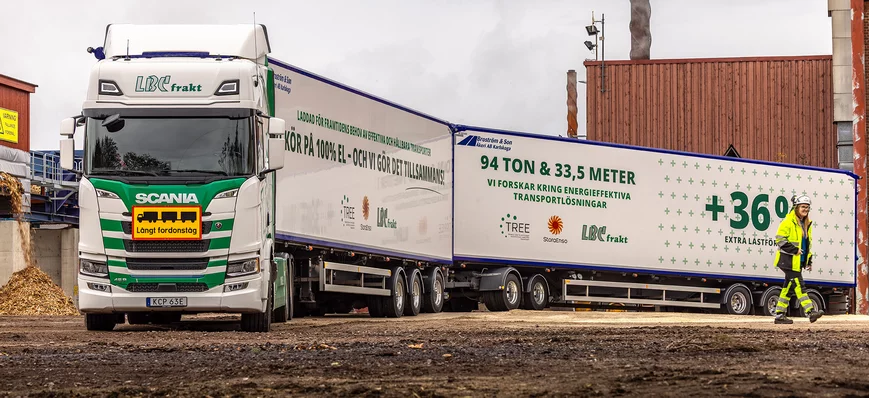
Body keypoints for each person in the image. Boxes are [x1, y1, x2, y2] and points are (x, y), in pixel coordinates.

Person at [772, 194, 824, 324]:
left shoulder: (806, 224)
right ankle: (810, 312)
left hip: (797, 262)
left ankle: (779, 315)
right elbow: (780, 239)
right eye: (803, 207)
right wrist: (794, 250)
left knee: (788, 288)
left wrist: (808, 261)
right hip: (788, 261)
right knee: (800, 286)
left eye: (807, 207)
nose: (805, 209)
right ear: (796, 208)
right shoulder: (788, 221)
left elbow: (806, 245)